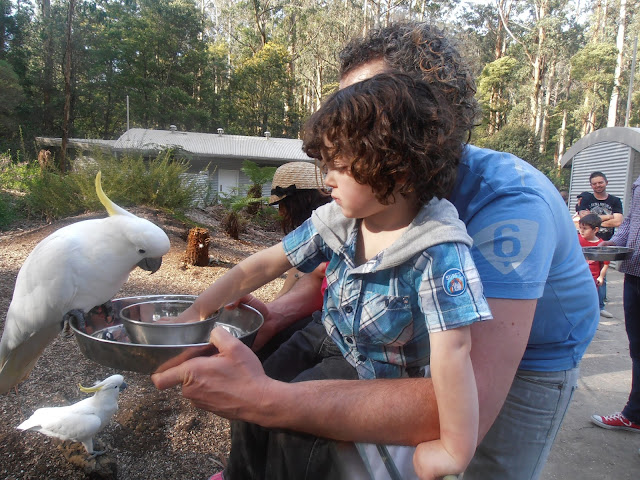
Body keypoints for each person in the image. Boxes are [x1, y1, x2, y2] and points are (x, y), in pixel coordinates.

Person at [153, 22, 599, 480]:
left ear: (422, 127)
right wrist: (269, 317)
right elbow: (315, 265)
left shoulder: (502, 210)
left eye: (363, 124)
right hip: (386, 334)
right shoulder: (362, 200)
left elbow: (463, 397)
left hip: (527, 354)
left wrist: (267, 399)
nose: (332, 164)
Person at [591, 174, 640, 434]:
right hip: (634, 269)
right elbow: (631, 221)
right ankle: (634, 413)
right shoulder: (638, 182)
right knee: (637, 348)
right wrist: (612, 245)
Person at [577, 171, 623, 318]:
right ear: (591, 185)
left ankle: (600, 305)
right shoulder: (586, 199)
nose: (598, 185)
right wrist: (608, 216)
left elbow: (618, 221)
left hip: (604, 241)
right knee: (583, 271)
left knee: (601, 274)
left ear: (606, 182)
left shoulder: (615, 200)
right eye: (594, 183)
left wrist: (594, 219)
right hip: (585, 240)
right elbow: (584, 218)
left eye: (600, 182)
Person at [578, 214, 610, 303]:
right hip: (577, 275)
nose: (581, 231)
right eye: (580, 228)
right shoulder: (576, 239)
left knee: (589, 299)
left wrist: (601, 277)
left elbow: (605, 263)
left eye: (585, 228)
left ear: (595, 230)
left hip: (593, 278)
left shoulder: (601, 244)